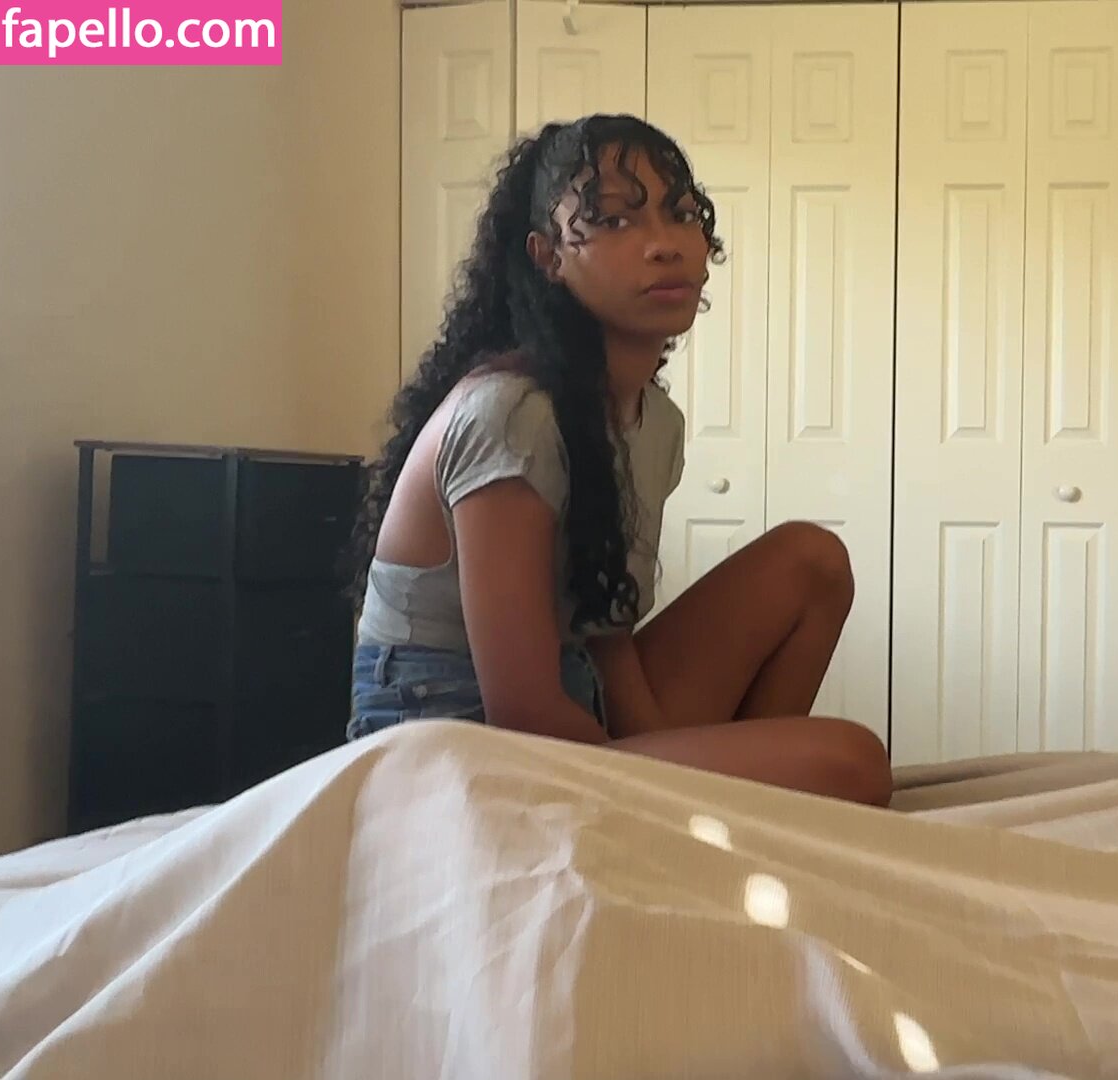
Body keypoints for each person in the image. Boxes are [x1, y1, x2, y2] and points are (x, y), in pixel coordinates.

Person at [345, 114, 891, 807]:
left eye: (682, 214)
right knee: (851, 762)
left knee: (811, 562)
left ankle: (738, 821)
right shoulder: (511, 415)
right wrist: (681, 772)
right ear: (548, 257)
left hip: (571, 696)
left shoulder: (653, 422)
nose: (665, 245)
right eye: (614, 221)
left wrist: (678, 751)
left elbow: (605, 631)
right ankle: (738, 812)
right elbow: (521, 710)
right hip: (451, 732)